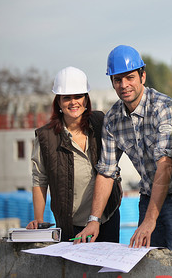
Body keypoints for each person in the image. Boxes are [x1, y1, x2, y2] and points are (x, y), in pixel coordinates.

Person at [74, 45, 172, 250]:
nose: (124, 85)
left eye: (130, 77)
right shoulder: (112, 119)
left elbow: (164, 165)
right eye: (117, 80)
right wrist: (94, 220)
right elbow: (106, 172)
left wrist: (149, 221)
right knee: (146, 260)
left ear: (143, 76)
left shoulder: (162, 108)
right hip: (148, 196)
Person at [27, 66, 122, 242]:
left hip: (106, 218)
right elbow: (39, 178)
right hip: (71, 225)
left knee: (106, 268)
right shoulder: (46, 137)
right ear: (58, 102)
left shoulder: (101, 122)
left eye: (78, 96)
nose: (73, 102)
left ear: (86, 100)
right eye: (67, 98)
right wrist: (38, 219)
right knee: (75, 270)